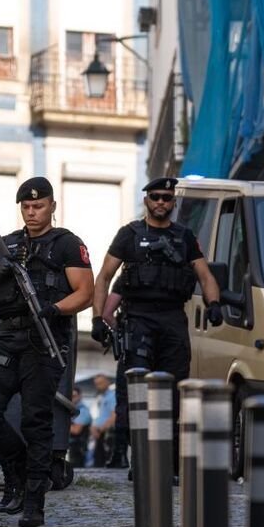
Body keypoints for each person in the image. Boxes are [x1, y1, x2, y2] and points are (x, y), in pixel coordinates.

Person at [0, 176, 94, 527]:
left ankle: (33, 501)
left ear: (52, 206)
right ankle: (18, 471)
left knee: (35, 421)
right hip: (7, 338)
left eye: (38, 206)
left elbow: (85, 293)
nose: (32, 212)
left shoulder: (67, 244)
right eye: (26, 206)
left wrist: (54, 309)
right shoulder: (7, 243)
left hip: (44, 340)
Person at [90, 177, 222, 473]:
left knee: (172, 394)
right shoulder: (129, 234)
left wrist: (214, 304)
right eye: (155, 197)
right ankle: (141, 460)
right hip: (138, 320)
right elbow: (104, 276)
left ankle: (168, 462)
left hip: (173, 320)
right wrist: (97, 318)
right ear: (146, 200)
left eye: (166, 197)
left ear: (173, 202)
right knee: (139, 393)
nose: (161, 202)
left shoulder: (184, 237)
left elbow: (205, 275)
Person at [90, 374, 118, 467]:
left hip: (106, 433)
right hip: (99, 433)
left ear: (107, 382)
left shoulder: (112, 396)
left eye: (101, 383)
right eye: (96, 384)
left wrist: (100, 430)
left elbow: (114, 415)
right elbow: (98, 416)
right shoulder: (101, 397)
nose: (98, 386)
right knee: (98, 461)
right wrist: (93, 428)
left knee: (103, 462)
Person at [67, 386, 92, 467]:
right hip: (73, 448)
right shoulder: (72, 409)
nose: (72, 398)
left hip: (78, 449)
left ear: (79, 396)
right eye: (70, 396)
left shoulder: (82, 410)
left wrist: (60, 427)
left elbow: (76, 430)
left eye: (74, 396)